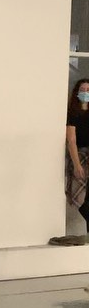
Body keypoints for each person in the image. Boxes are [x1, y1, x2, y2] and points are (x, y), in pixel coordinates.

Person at [65, 78, 89, 232]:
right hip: (80, 155)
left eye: (88, 90)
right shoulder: (73, 113)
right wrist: (77, 164)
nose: (85, 93)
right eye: (83, 90)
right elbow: (71, 140)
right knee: (82, 200)